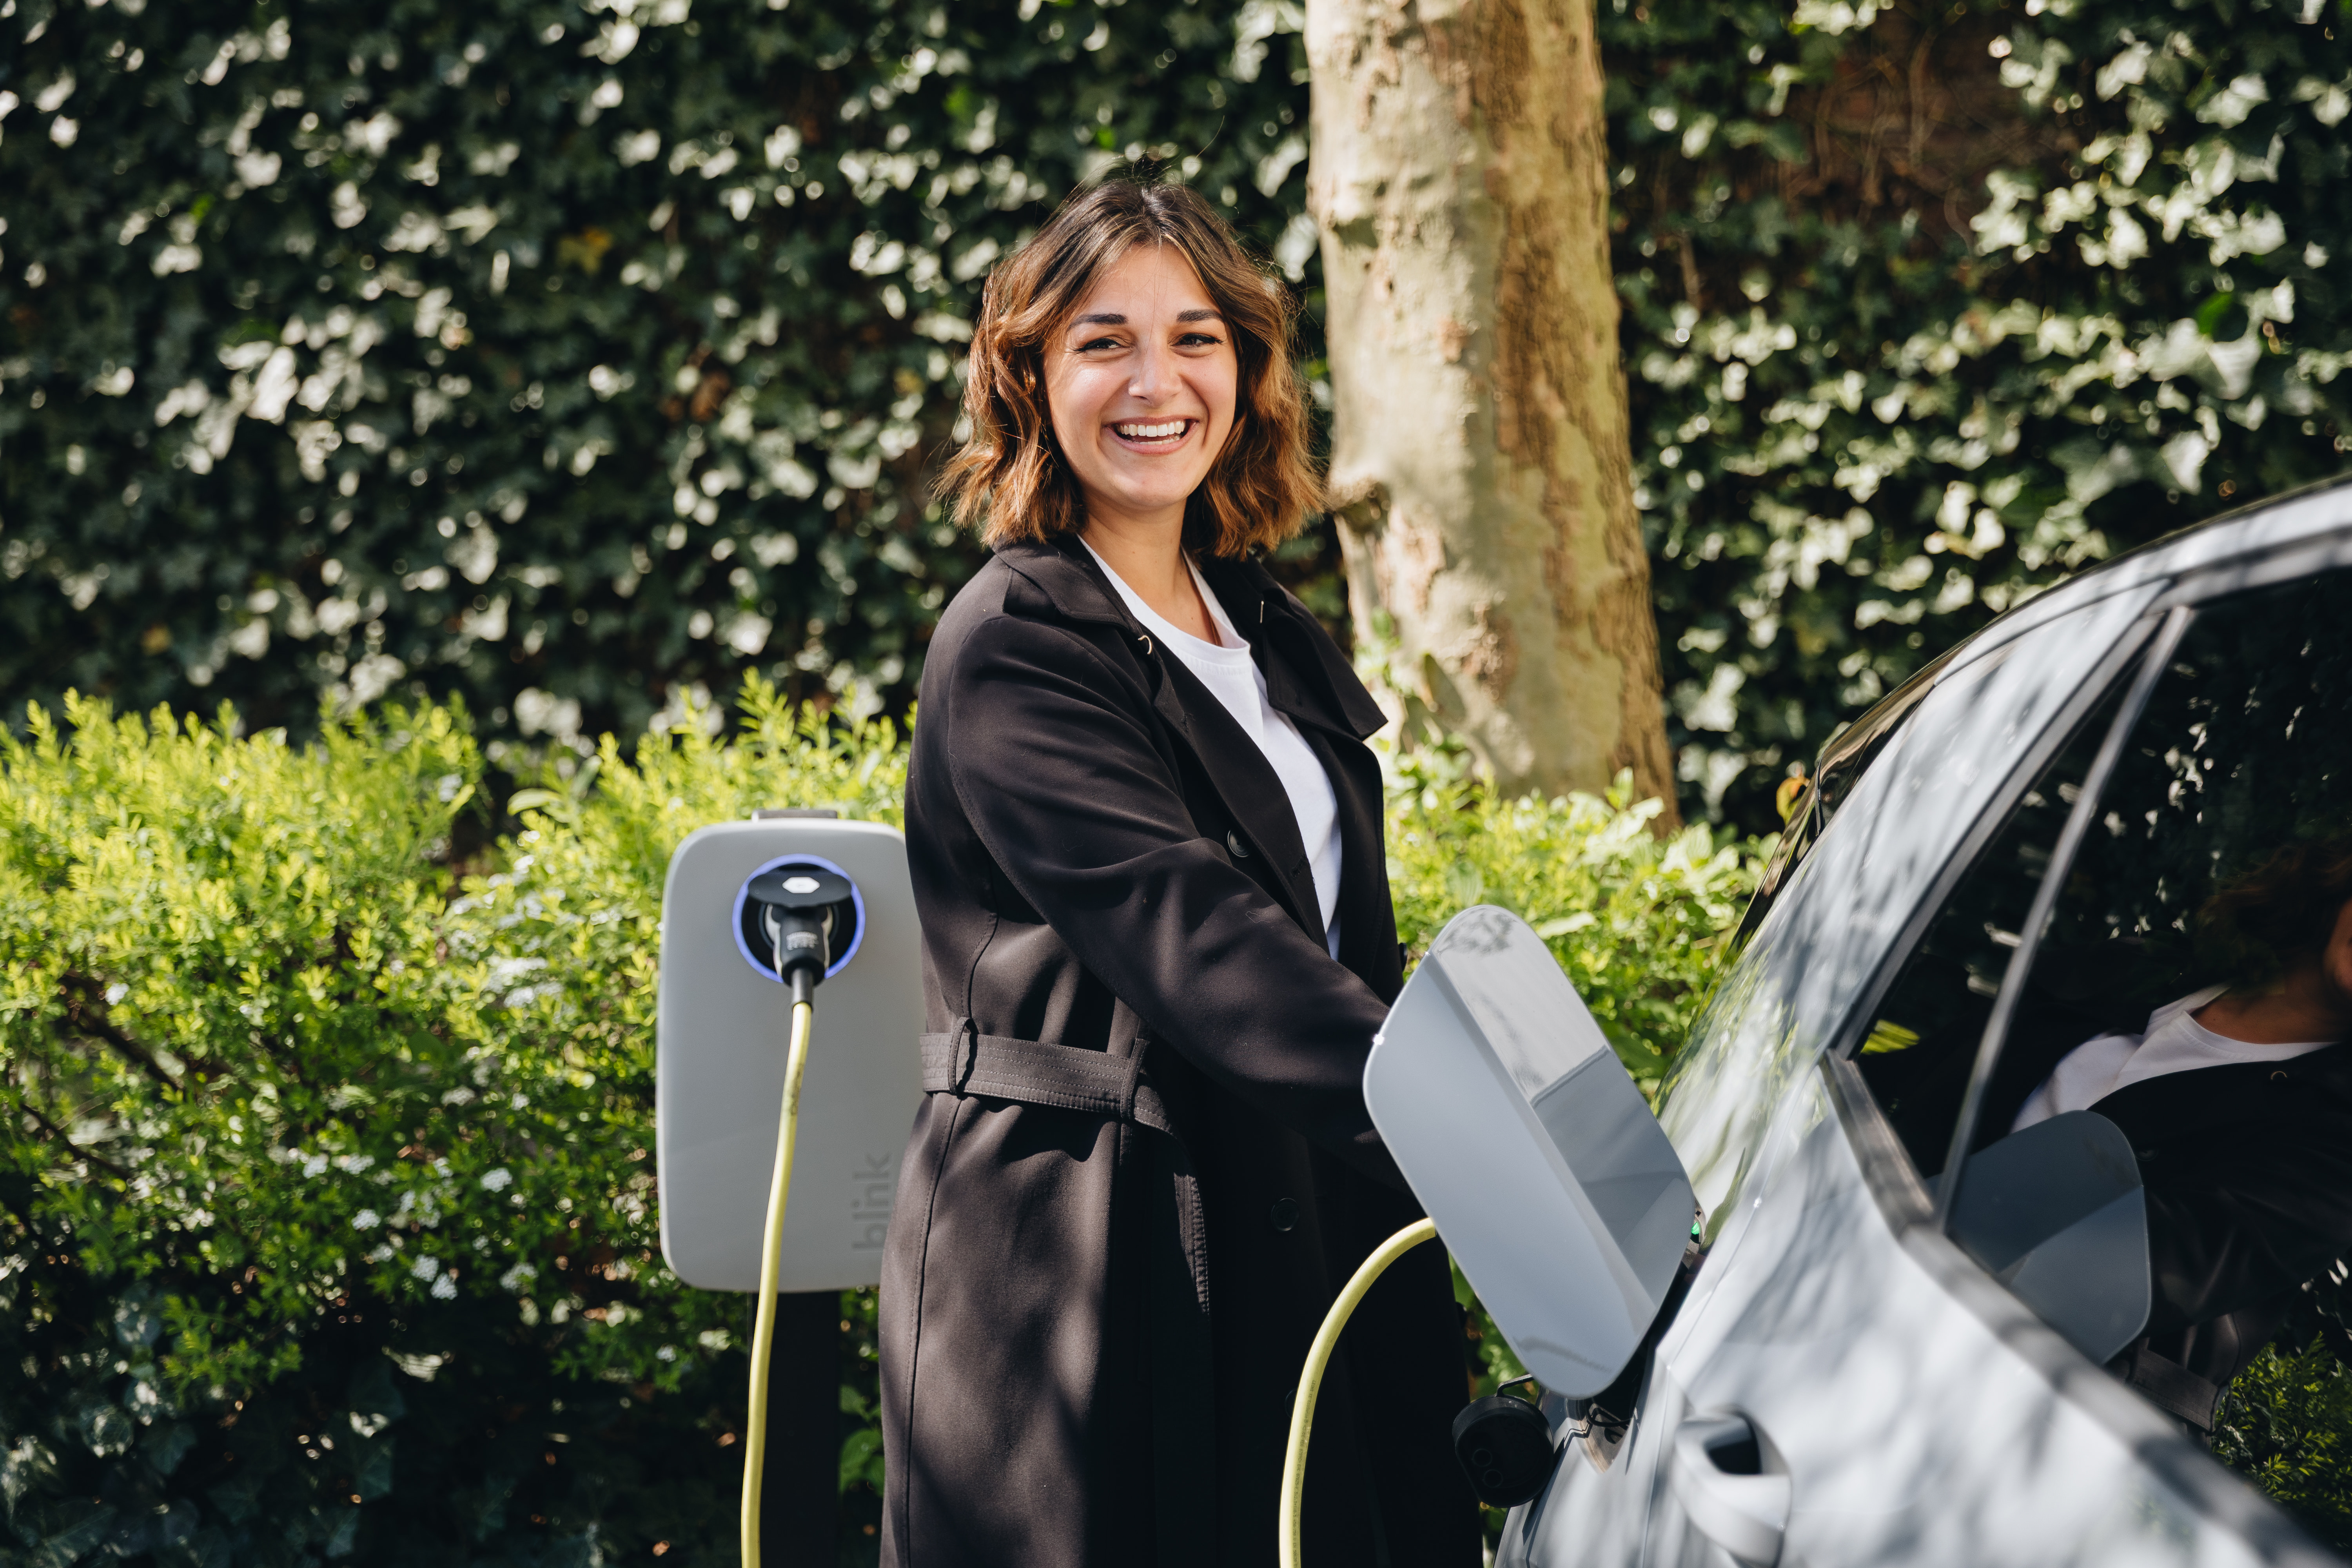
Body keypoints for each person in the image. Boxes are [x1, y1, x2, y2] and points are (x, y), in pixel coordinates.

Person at [877, 177, 1480, 1568]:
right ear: (1031, 374)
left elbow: (1333, 928)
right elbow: (1194, 930)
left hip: (1296, 1204)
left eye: (1196, 337)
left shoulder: (1259, 622)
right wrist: (1463, 1130)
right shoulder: (1016, 641)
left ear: (1248, 367)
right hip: (1086, 1251)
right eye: (1104, 341)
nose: (1158, 383)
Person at [2006, 839, 2352, 1432]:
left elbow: (2147, 1264)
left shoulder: (2336, 1144)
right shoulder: (2149, 968)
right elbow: (1919, 1083)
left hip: (2043, 1414)